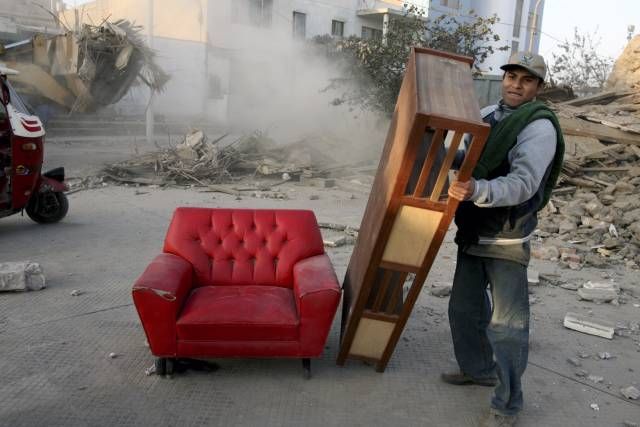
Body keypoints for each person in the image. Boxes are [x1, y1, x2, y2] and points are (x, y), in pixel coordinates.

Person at [442, 51, 564, 427]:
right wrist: (444, 153)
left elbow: (525, 183)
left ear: (538, 87)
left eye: (526, 79)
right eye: (511, 75)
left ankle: (508, 404)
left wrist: (476, 187)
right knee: (464, 310)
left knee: (508, 327)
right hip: (474, 229)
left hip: (507, 236)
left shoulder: (538, 126)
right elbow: (468, 153)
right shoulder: (487, 114)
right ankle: (478, 369)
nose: (515, 84)